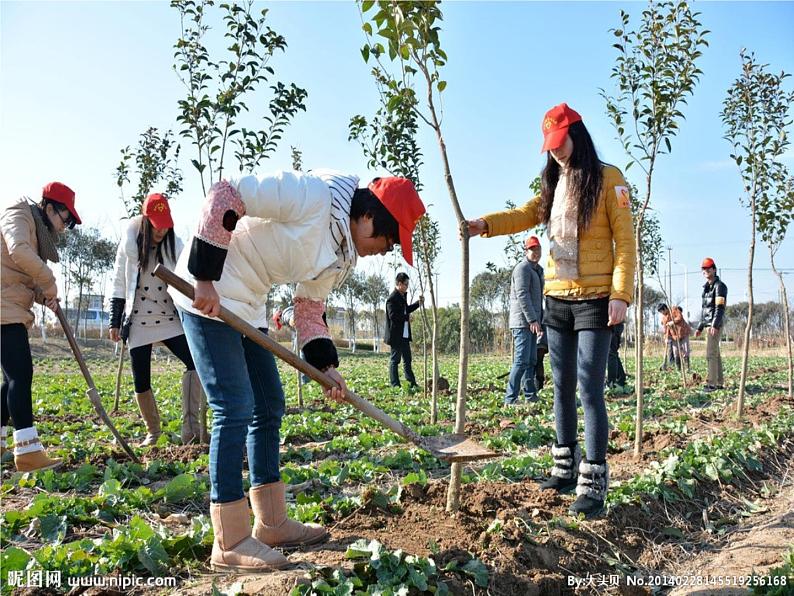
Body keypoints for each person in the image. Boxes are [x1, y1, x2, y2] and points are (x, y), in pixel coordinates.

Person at [171, 170, 425, 572]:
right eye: (389, 239)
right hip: (209, 294)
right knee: (234, 406)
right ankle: (230, 540)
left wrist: (326, 366)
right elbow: (227, 193)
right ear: (369, 217)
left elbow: (308, 308)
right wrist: (204, 275)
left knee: (269, 404)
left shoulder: (342, 256)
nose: (386, 250)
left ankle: (271, 523)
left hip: (249, 303)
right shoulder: (313, 195)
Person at [466, 103, 636, 518]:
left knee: (589, 387)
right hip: (557, 299)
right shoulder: (554, 182)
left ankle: (594, 484)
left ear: (577, 135)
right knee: (559, 385)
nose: (556, 152)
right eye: (551, 146)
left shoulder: (610, 179)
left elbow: (626, 243)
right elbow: (526, 214)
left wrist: (621, 294)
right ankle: (564, 468)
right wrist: (484, 224)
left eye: (561, 144)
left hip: (596, 299)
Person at [108, 193, 207, 446]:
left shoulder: (176, 246)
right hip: (139, 319)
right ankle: (153, 432)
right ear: (145, 220)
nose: (162, 229)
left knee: (194, 361)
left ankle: (191, 428)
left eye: (165, 223)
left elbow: (190, 280)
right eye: (156, 223)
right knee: (141, 378)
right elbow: (119, 282)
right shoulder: (130, 245)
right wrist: (114, 321)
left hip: (168, 316)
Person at [1, 182, 81, 472]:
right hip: (2, 307)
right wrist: (48, 281)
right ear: (48, 208)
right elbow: (18, 251)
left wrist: (42, 294)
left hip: (9, 305)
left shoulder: (36, 230)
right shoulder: (19, 213)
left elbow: (19, 271)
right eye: (66, 218)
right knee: (21, 374)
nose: (65, 227)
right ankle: (28, 451)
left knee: (11, 378)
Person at [505, 235, 544, 405]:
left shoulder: (538, 270)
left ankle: (530, 395)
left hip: (533, 322)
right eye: (532, 249)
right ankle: (510, 398)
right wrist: (533, 319)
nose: (535, 252)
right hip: (522, 322)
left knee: (531, 360)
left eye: (537, 249)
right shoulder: (522, 269)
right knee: (521, 360)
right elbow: (523, 296)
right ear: (526, 251)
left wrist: (538, 320)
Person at [385, 273, 423, 389]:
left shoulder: (402, 296)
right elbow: (393, 316)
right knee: (395, 360)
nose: (407, 286)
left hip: (404, 335)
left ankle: (412, 383)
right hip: (396, 335)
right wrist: (407, 318)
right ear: (399, 283)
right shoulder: (392, 299)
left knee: (407, 359)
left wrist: (418, 304)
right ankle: (395, 384)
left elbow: (406, 310)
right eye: (406, 284)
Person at [696, 257, 727, 392]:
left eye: (708, 268)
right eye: (704, 269)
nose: (706, 271)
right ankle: (719, 382)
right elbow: (705, 310)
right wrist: (700, 327)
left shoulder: (720, 286)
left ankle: (711, 384)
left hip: (715, 324)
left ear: (714, 269)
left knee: (710, 354)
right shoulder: (706, 288)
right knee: (715, 353)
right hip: (708, 324)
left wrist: (714, 325)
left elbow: (719, 308)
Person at [657, 303, 691, 371]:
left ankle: (687, 368)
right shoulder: (664, 318)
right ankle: (678, 369)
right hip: (674, 336)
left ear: (665, 308)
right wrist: (666, 338)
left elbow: (680, 317)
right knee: (675, 352)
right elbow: (666, 330)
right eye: (660, 312)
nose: (662, 313)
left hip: (683, 332)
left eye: (662, 311)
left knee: (685, 350)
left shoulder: (674, 309)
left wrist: (673, 322)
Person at [606, 322, 627, 390]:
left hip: (614, 324)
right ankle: (621, 378)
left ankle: (611, 382)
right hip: (616, 324)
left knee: (611, 353)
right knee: (613, 353)